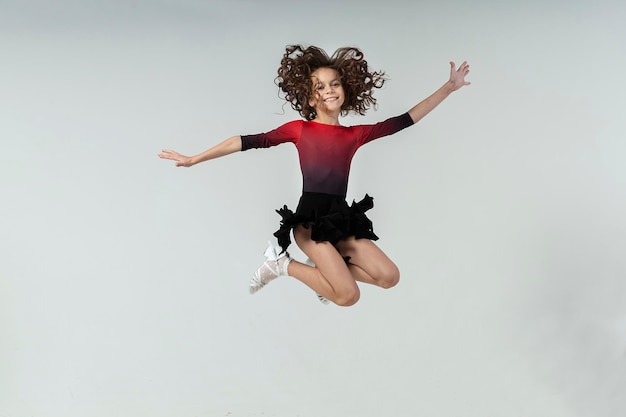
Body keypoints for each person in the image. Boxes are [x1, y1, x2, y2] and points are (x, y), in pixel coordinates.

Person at [159, 45, 470, 306]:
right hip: (309, 223)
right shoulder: (300, 130)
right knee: (347, 296)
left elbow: (405, 120)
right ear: (309, 99)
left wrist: (448, 87)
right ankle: (283, 265)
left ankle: (325, 273)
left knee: (389, 277)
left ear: (345, 89)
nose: (329, 90)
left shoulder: (355, 135)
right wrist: (194, 158)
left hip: (341, 220)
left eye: (334, 83)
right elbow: (244, 141)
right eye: (319, 87)